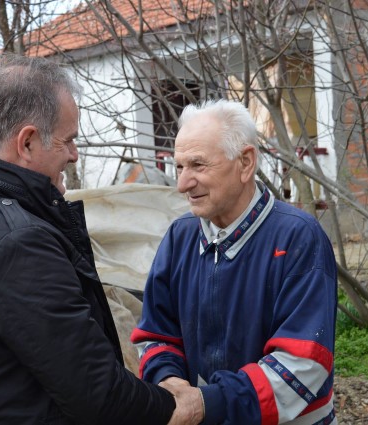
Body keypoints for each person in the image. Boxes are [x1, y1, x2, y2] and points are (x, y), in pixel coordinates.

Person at [0, 54, 202, 425]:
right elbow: (99, 396)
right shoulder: (16, 243)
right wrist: (178, 408)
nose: (74, 155)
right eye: (68, 141)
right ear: (27, 143)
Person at [131, 99, 338, 424]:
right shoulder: (179, 237)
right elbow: (156, 334)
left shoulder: (298, 238)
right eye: (179, 167)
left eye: (198, 165)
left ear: (245, 163)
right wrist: (171, 385)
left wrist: (207, 404)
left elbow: (304, 362)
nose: (183, 184)